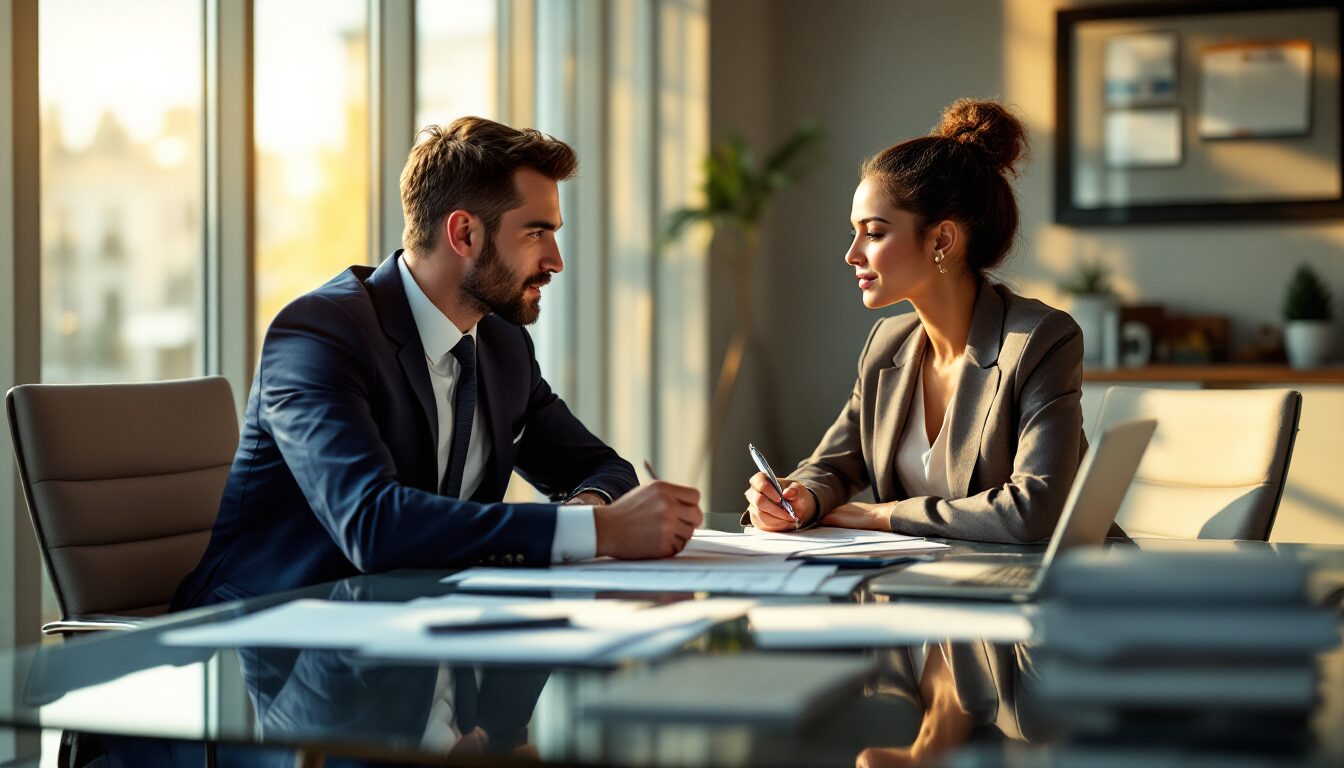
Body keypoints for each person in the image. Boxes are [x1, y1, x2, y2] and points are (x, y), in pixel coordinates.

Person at [174, 117, 701, 611]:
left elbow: (601, 467)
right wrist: (601, 532)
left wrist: (587, 507)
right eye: (536, 233)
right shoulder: (319, 335)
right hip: (271, 651)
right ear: (464, 234)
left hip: (424, 637)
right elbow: (372, 524)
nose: (555, 260)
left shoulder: (500, 343)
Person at [744, 99, 1089, 543]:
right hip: (914, 587)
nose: (853, 254)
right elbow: (832, 465)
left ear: (941, 239)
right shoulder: (887, 344)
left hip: (1035, 588)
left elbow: (1033, 508)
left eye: (874, 233)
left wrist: (883, 516)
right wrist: (799, 498)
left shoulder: (1039, 340)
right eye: (854, 232)